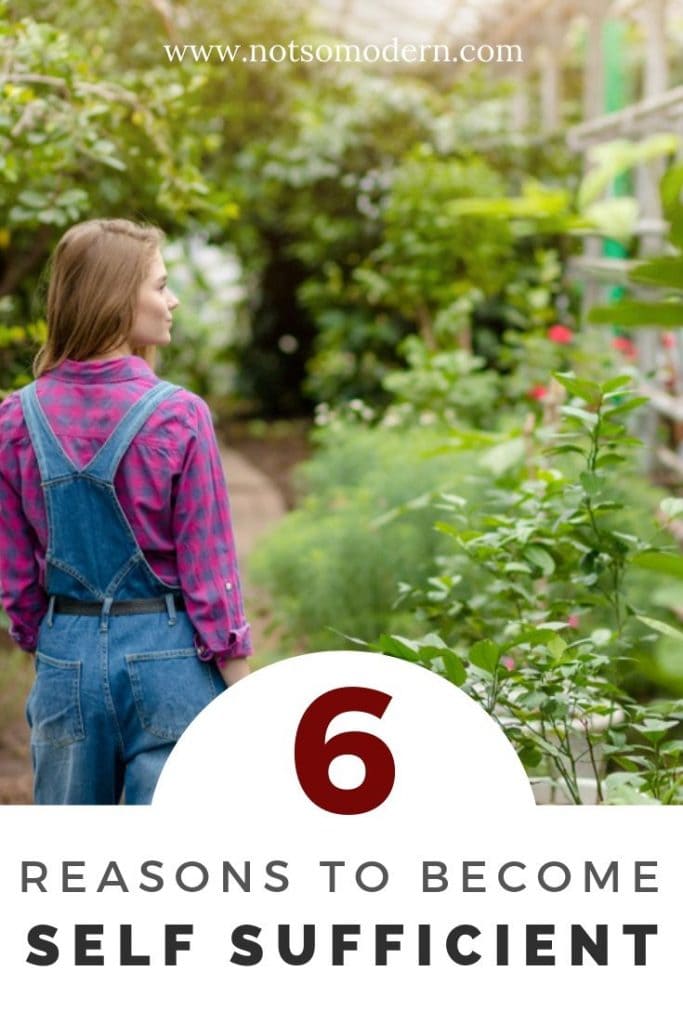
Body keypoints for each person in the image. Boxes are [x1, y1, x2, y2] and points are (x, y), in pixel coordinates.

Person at [0, 218, 251, 805]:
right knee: (165, 871)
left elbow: (15, 577)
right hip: (171, 662)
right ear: (116, 299)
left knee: (70, 870)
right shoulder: (180, 416)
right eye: (160, 285)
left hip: (68, 657)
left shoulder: (14, 421)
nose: (173, 300)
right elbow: (211, 574)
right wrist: (242, 694)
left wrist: (58, 645)